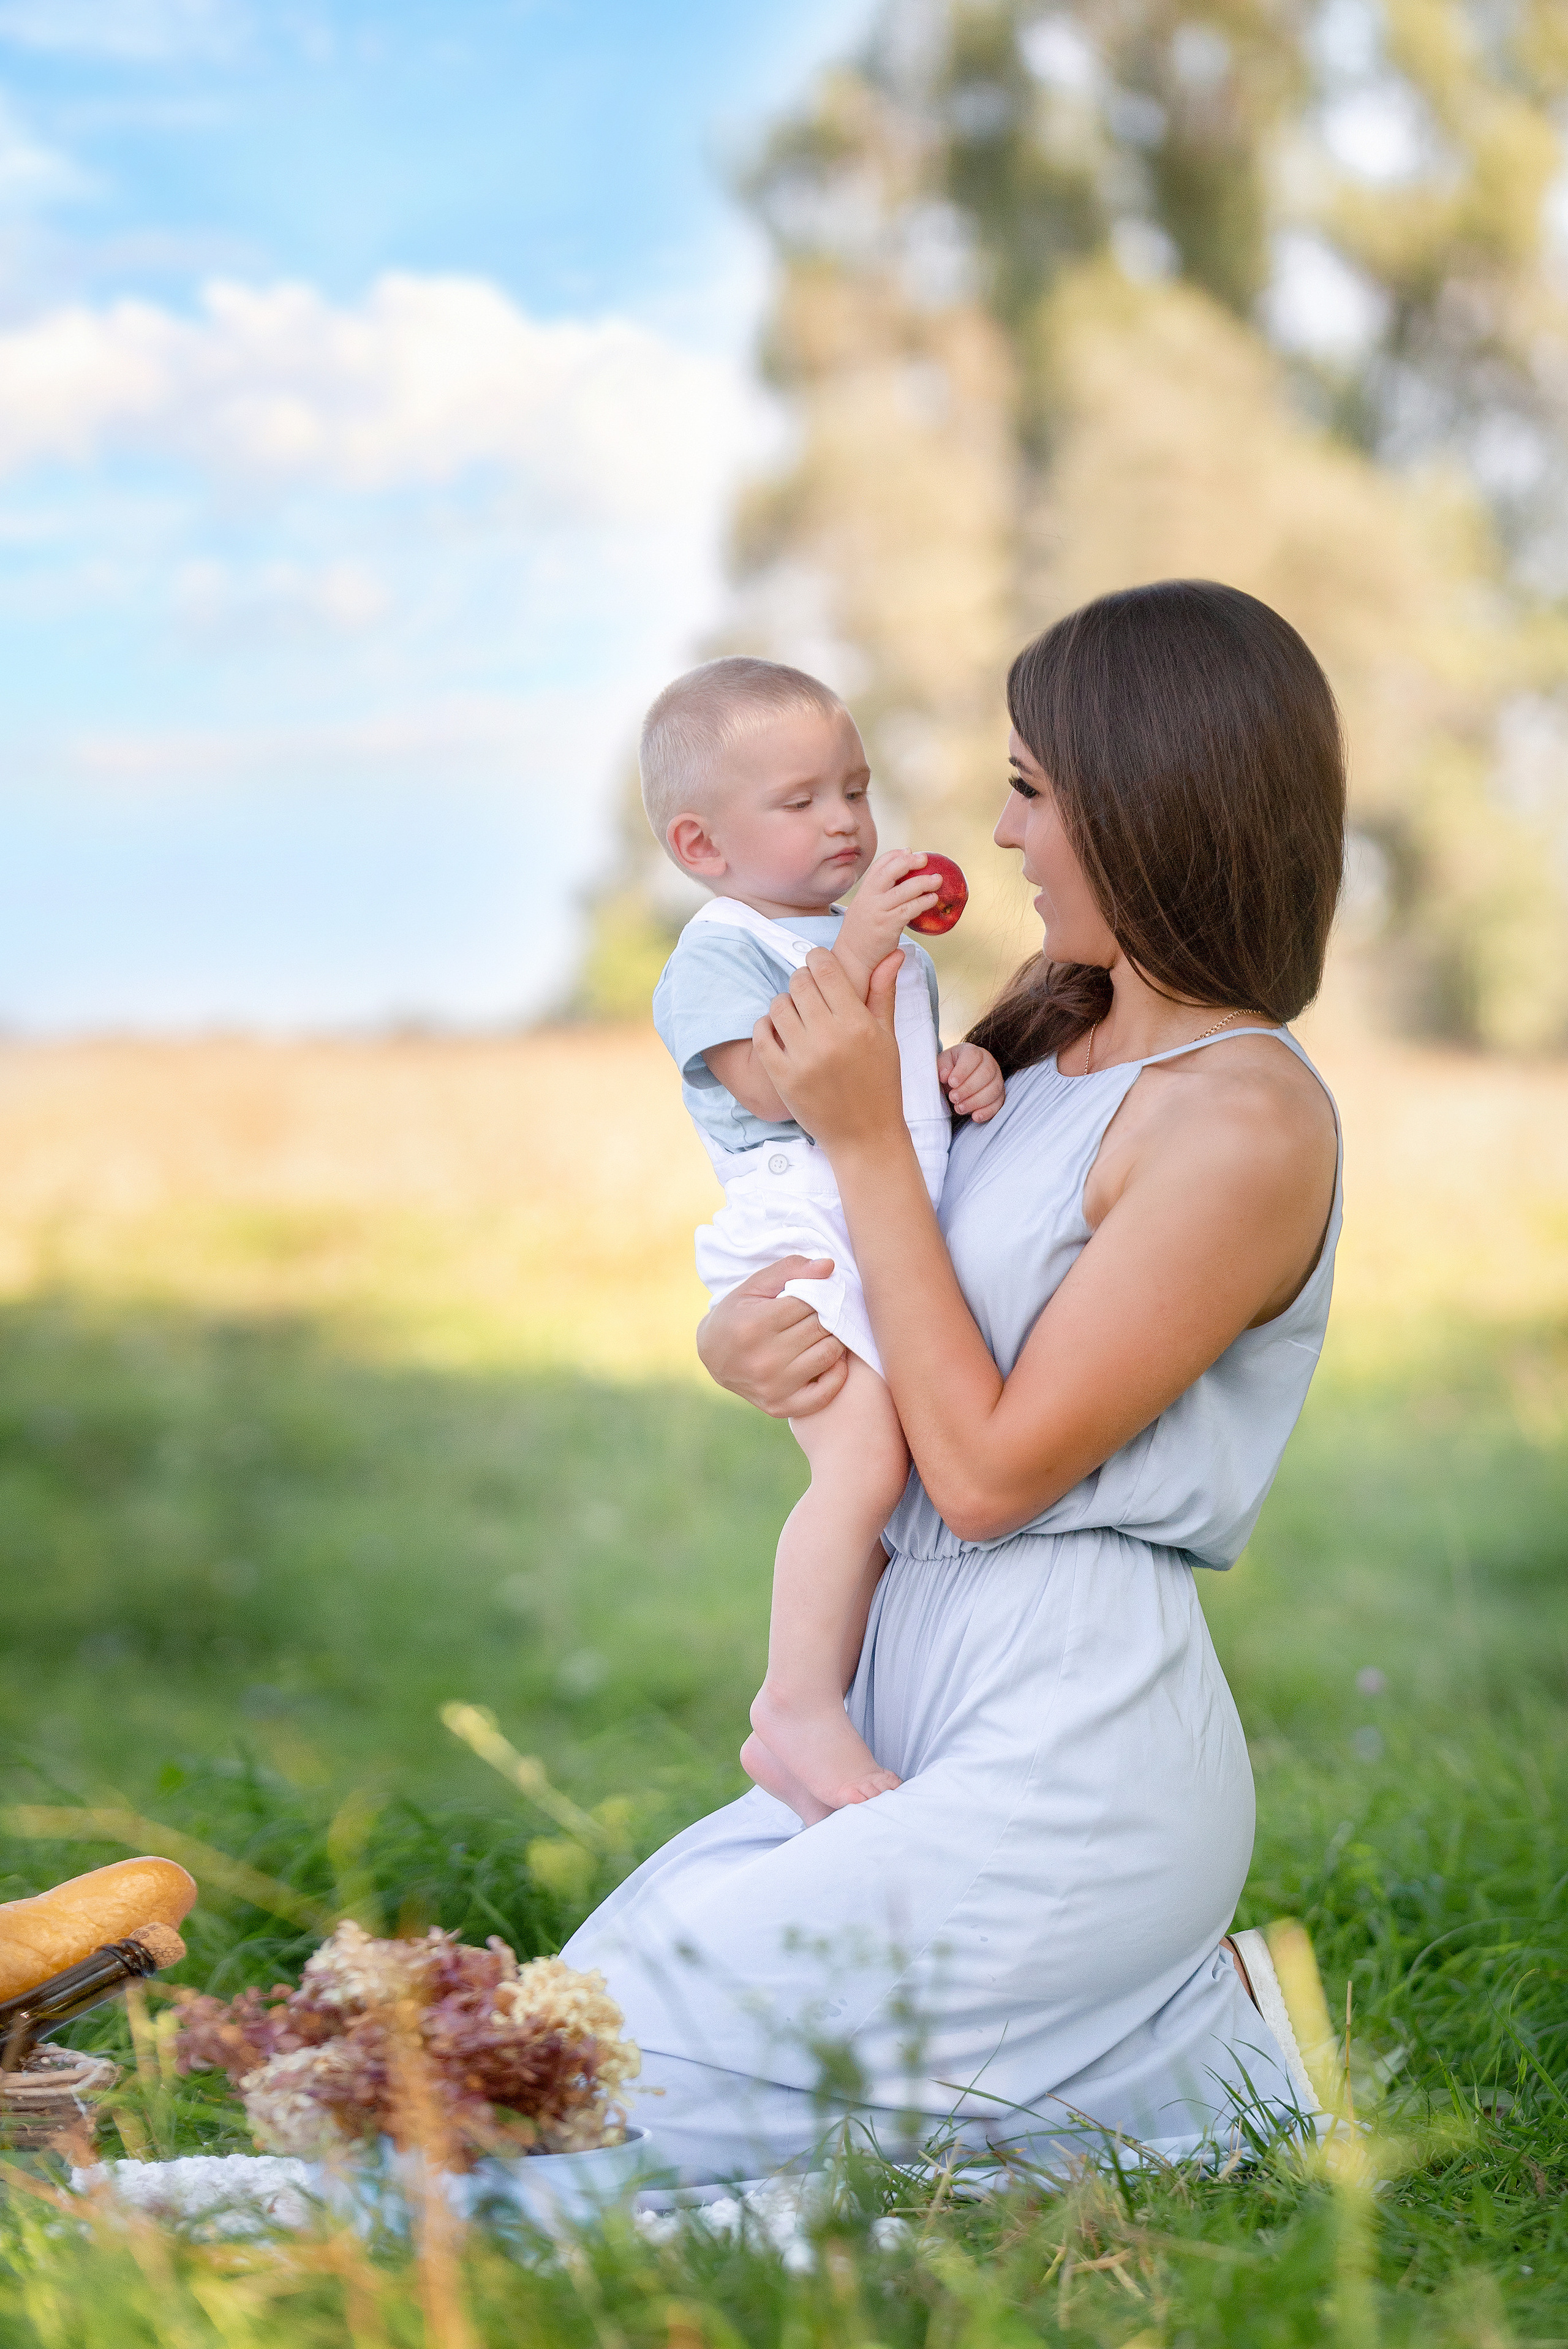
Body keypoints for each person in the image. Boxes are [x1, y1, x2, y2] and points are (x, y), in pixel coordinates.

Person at [565, 580, 1344, 2185]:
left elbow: (986, 1471)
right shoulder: (1043, 1046)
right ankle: (1182, 2077)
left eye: (1033, 790)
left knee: (629, 2076)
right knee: (577, 2022)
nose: (1000, 837)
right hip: (905, 1703)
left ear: (1150, 801)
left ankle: (1152, 2025)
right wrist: (748, 1338)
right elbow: (891, 1292)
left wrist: (858, 1136)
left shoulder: (1241, 1116)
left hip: (1067, 1729)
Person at [641, 656, 1006, 1818]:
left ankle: (854, 1694)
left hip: (886, 1216)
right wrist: (858, 951)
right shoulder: (724, 949)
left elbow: (890, 1089)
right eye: (800, 801)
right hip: (801, 1231)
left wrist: (956, 1070)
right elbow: (776, 1082)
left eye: (855, 788)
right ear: (703, 846)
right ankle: (792, 1707)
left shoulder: (891, 951)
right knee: (860, 1466)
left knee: (903, 1480)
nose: (844, 819)